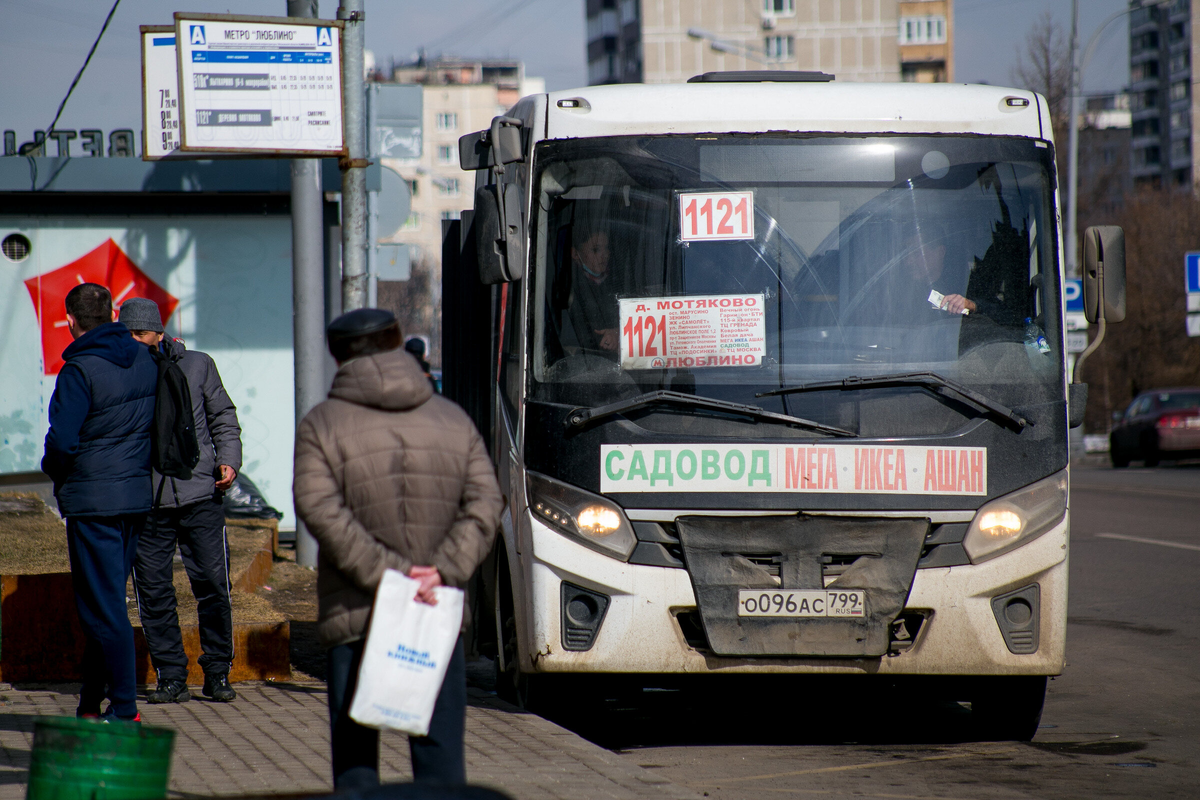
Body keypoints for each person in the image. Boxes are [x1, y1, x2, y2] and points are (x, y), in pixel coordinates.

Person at [293, 308, 502, 789]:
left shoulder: (322, 424)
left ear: (337, 353)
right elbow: (486, 501)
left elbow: (318, 507)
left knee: (356, 765)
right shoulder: (452, 417)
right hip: (433, 611)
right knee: (441, 765)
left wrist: (389, 577)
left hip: (356, 611)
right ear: (397, 342)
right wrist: (439, 570)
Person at [42, 283, 157, 722]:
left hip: (94, 501)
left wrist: (54, 469)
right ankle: (90, 702)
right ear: (112, 314)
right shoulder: (144, 358)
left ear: (70, 320)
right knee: (101, 602)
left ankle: (125, 709)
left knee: (104, 608)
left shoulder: (79, 369)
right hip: (133, 498)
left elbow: (63, 442)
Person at [119, 298, 243, 705]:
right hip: (146, 501)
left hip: (200, 494)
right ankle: (171, 676)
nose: (135, 341)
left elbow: (222, 414)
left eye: (141, 333)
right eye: (128, 333)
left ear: (158, 332)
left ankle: (217, 671)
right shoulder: (121, 371)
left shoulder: (198, 364)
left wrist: (228, 460)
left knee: (211, 584)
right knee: (153, 591)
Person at [566, 227, 621, 353]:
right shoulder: (570, 289)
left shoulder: (616, 281)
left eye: (607, 248)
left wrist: (618, 332)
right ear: (575, 254)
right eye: (596, 250)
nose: (605, 255)